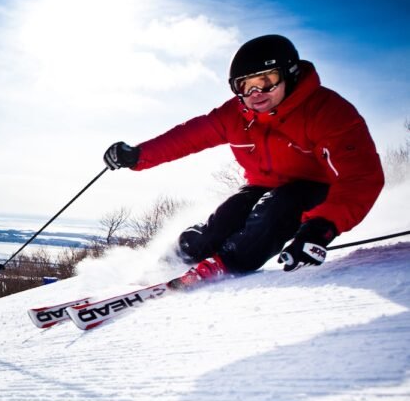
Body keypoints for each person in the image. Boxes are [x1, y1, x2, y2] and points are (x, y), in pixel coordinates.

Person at [103, 34, 384, 287]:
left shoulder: (327, 111)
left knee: (275, 209)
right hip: (263, 185)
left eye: (266, 81)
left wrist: (322, 227)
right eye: (245, 86)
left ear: (290, 74)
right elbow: (189, 137)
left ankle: (225, 265)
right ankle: (173, 263)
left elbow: (362, 176)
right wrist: (138, 155)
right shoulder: (236, 114)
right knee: (226, 217)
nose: (255, 95)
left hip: (315, 190)